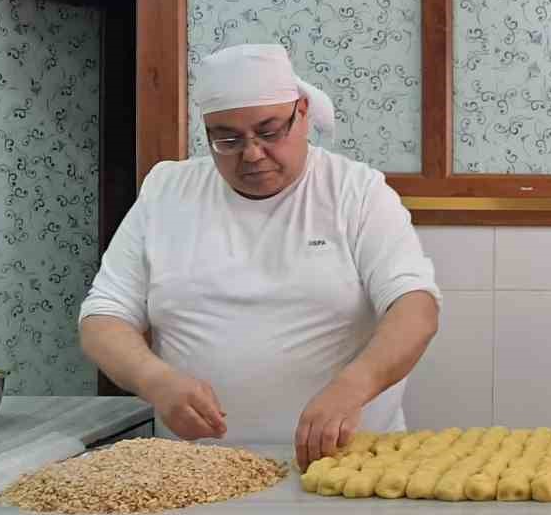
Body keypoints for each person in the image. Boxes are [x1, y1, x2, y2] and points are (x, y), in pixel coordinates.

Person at [79, 44, 441, 469]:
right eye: (227, 139)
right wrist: (154, 379)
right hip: (193, 468)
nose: (251, 153)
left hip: (344, 462)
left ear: (302, 113)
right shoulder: (166, 192)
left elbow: (415, 307)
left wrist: (354, 386)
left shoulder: (356, 192)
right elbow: (103, 317)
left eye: (269, 132)